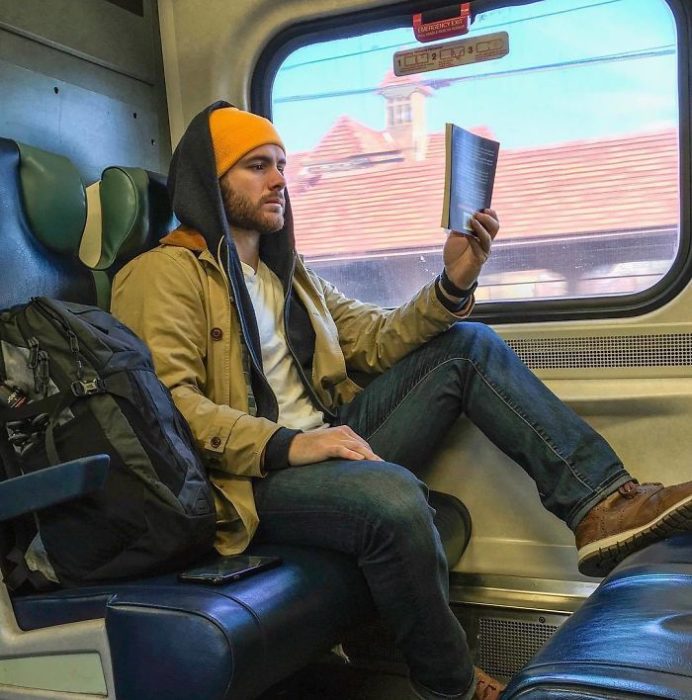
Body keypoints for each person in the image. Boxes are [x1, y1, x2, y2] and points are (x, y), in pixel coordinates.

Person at [111, 102, 692, 700]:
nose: (281, 180)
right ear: (211, 180)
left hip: (329, 437)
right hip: (247, 478)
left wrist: (454, 281)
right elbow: (168, 409)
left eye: (282, 165)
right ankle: (453, 685)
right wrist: (289, 443)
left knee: (466, 345)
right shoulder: (164, 274)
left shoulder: (289, 273)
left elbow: (375, 339)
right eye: (257, 166)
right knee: (392, 497)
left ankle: (603, 505)